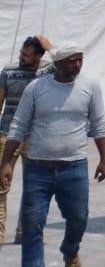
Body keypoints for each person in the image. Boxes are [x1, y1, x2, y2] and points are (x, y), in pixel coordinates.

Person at [0, 43, 105, 267]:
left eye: (80, 60)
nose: (78, 65)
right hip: (38, 168)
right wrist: (5, 162)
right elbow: (18, 125)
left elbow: (99, 123)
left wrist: (104, 160)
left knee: (78, 219)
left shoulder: (90, 87)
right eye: (72, 61)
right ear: (57, 64)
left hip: (74, 166)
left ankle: (70, 251)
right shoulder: (36, 89)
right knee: (31, 224)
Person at [0, 37, 53, 242]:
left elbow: (70, 65)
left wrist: (50, 47)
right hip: (7, 136)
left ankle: (24, 232)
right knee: (1, 185)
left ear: (39, 56)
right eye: (21, 54)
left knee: (33, 187)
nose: (22, 58)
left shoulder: (48, 72)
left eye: (27, 55)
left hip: (36, 138)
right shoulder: (8, 71)